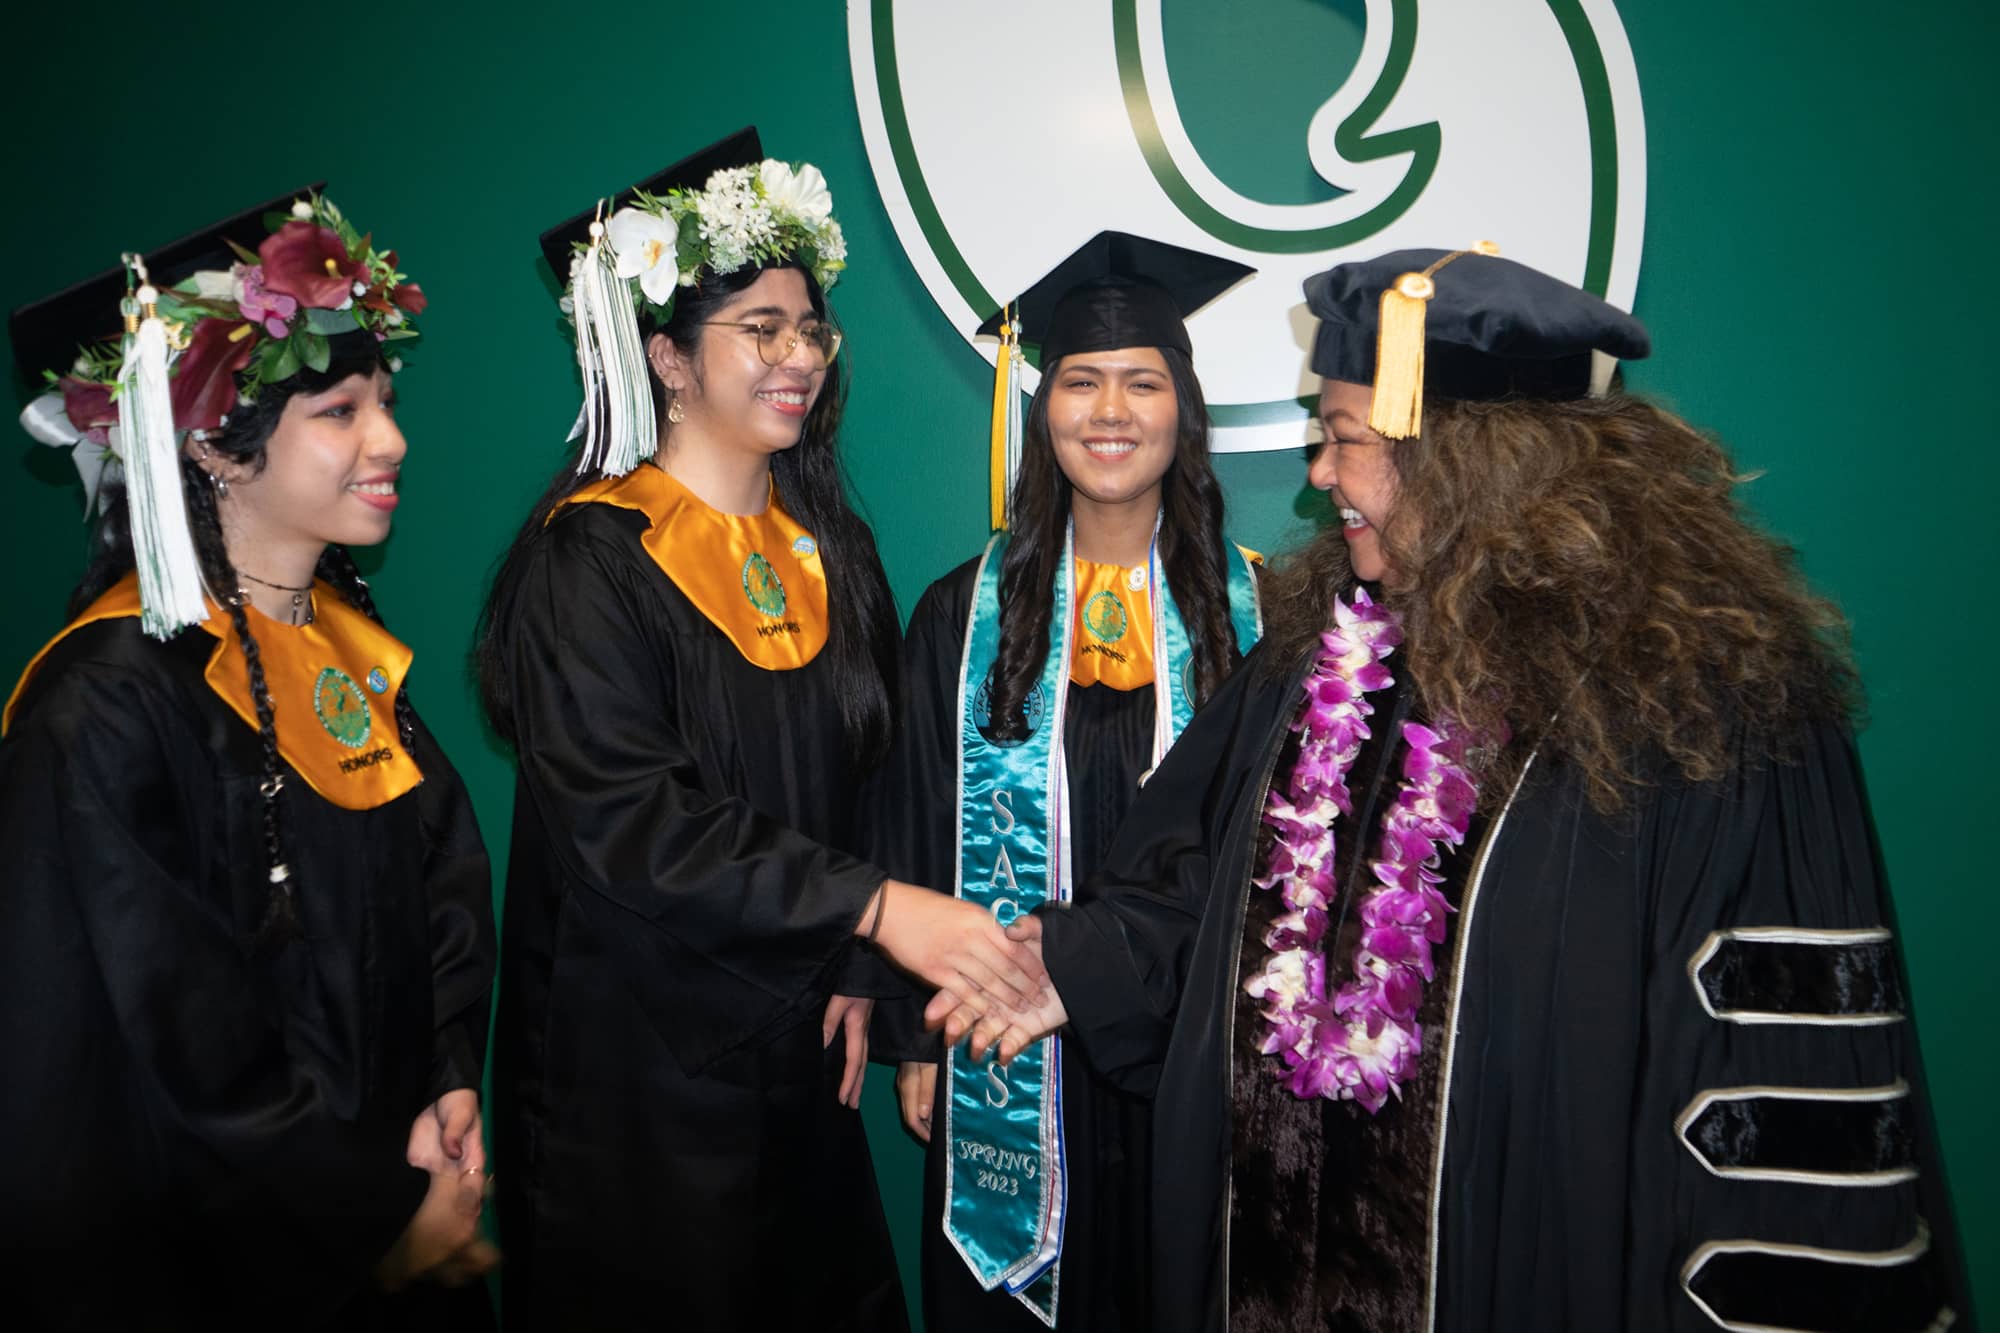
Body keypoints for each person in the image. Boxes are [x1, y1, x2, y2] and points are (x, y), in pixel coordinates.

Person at [940, 246, 1972, 1331]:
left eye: (1342, 439)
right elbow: (1199, 879)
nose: (1317, 475)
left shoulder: (1699, 715)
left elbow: (1775, 1125)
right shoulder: (1324, 656)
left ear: (1464, 460)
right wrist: (1077, 966)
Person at [478, 128, 1045, 1329]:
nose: (798, 358)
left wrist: (849, 964)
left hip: (791, 1050)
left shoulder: (825, 547)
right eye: (759, 330)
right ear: (667, 360)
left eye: (809, 329)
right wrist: (880, 911)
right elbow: (639, 823)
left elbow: (860, 781)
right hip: (635, 1071)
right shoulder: (590, 557)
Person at [0, 191, 497, 1328]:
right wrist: (367, 1212)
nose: (391, 439)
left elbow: (437, 894)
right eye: (340, 408)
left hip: (390, 1185)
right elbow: (176, 1027)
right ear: (215, 446)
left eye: (386, 400)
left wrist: (443, 1073)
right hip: (226, 1254)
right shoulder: (111, 701)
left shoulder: (339, 650)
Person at [873, 232, 1261, 1331]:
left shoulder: (1254, 620)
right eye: (1080, 381)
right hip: (1002, 1036)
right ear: (1041, 410)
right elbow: (914, 814)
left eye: (1141, 382)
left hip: (1175, 1042)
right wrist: (918, 1030)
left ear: (1181, 409)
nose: (1109, 410)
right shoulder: (960, 616)